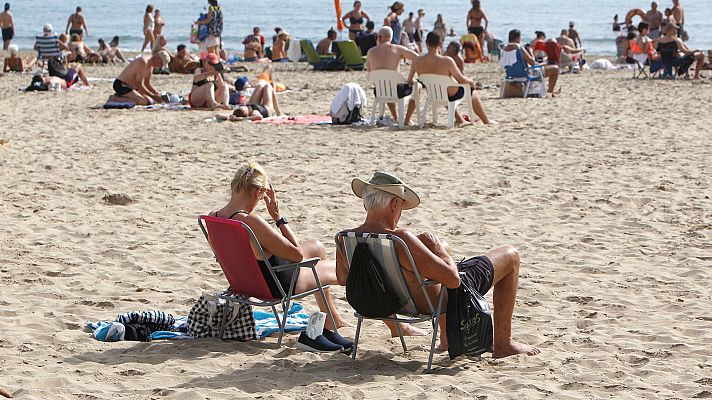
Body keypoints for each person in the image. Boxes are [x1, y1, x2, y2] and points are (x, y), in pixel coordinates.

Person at [337, 171, 541, 357]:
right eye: (400, 206)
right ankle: (503, 344)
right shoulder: (400, 239)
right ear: (394, 205)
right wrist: (438, 248)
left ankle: (445, 340)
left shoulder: (346, 239)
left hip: (389, 302)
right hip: (435, 302)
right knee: (510, 255)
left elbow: (343, 279)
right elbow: (453, 281)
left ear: (366, 205)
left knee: (433, 246)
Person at [208, 162, 350, 336]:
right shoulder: (251, 222)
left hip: (244, 282)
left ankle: (331, 317)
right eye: (261, 197)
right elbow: (296, 256)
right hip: (277, 285)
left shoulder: (213, 218)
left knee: (317, 247)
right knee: (340, 268)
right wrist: (278, 218)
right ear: (258, 192)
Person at [407, 31, 490, 126]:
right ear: (440, 44)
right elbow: (461, 80)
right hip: (449, 94)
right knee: (472, 93)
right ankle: (486, 121)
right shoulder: (447, 61)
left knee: (443, 89)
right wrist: (471, 81)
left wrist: (418, 83)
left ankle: (460, 119)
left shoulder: (417, 61)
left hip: (433, 94)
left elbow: (409, 81)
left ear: (426, 43)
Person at [367, 26, 419, 124]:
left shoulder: (370, 52)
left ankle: (395, 117)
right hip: (397, 91)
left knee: (386, 85)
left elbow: (370, 74)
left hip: (379, 91)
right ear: (390, 37)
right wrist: (410, 78)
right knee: (418, 86)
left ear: (379, 37)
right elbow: (417, 58)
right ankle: (407, 119)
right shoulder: (398, 49)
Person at [502, 29, 560, 97]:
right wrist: (531, 51)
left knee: (543, 65)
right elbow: (532, 62)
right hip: (526, 74)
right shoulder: (519, 48)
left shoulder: (504, 49)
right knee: (555, 69)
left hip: (510, 74)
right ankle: (550, 92)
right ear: (518, 38)